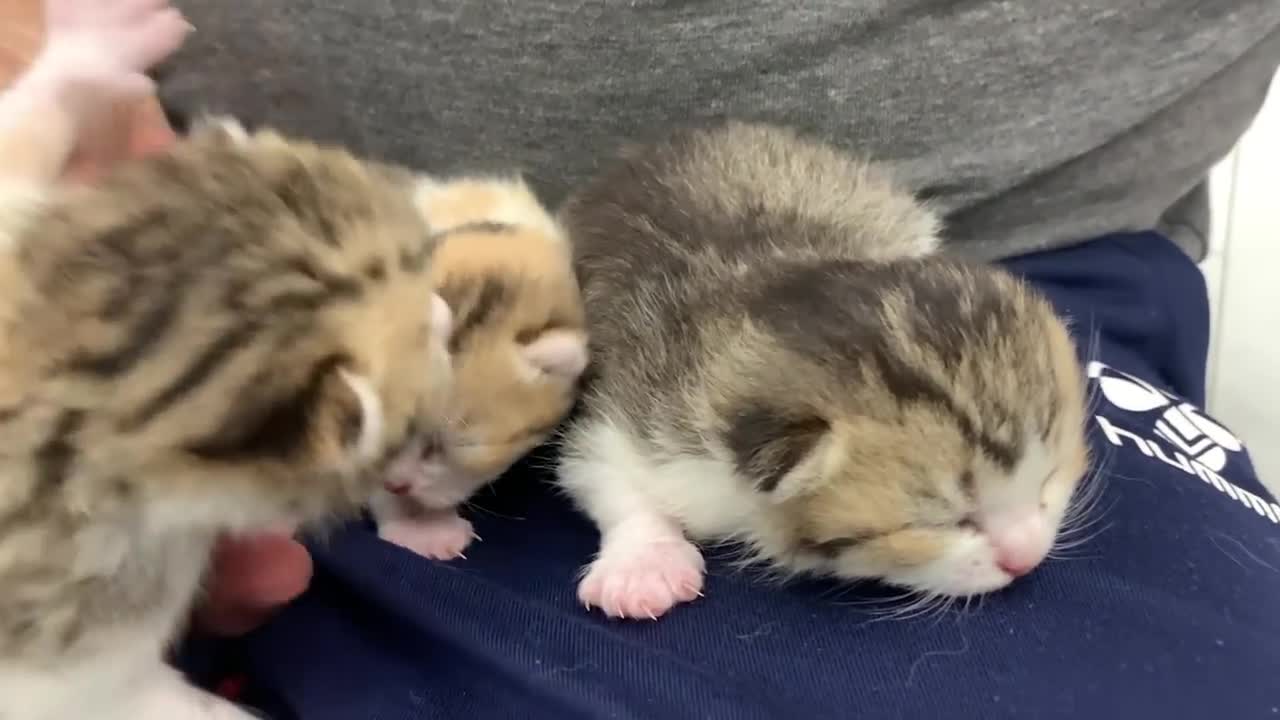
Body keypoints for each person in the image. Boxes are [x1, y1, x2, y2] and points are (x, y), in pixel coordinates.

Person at [10, 2, 1280, 718]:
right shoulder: (692, 423)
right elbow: (622, 446)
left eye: (1044, 496)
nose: (1025, 546)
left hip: (1020, 245)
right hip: (251, 227)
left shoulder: (993, 353)